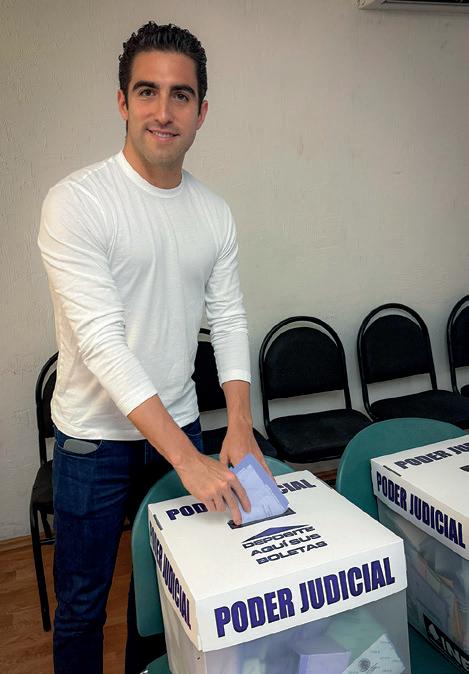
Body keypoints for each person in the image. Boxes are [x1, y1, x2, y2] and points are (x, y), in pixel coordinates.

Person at [38, 21, 270, 674]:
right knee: (83, 604)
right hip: (94, 439)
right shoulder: (77, 202)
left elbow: (229, 318)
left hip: (181, 423)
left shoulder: (213, 212)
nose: (163, 112)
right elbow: (103, 345)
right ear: (122, 101)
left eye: (180, 95)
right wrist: (187, 459)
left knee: (168, 591)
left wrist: (239, 426)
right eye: (147, 92)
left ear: (201, 111)